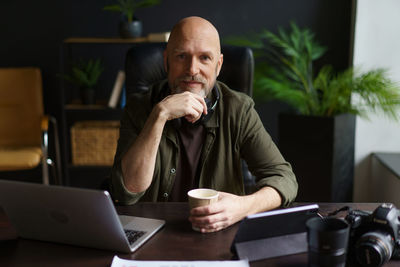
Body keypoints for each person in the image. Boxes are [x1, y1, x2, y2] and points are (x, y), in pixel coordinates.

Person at [111, 16, 298, 233]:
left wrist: (243, 206)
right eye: (182, 56)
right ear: (166, 62)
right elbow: (126, 191)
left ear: (218, 65)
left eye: (204, 58)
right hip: (153, 234)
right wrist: (159, 115)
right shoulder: (140, 107)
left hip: (219, 234)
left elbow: (284, 179)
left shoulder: (239, 109)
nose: (192, 69)